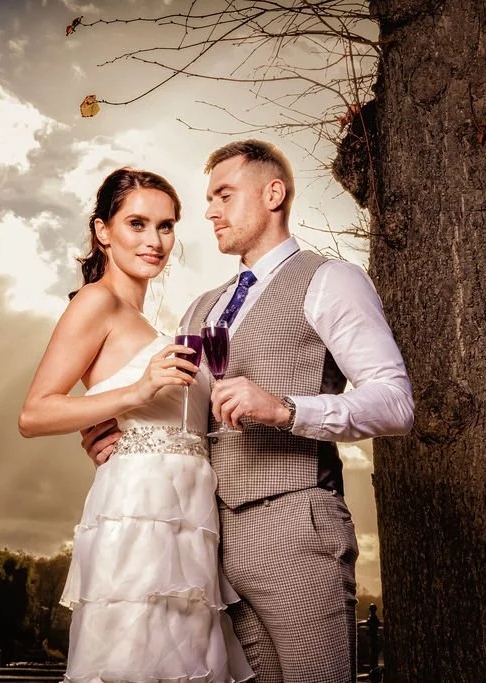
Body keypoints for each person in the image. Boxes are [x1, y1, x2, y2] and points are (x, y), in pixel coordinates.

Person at [82, 140, 414, 683]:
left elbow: (395, 403)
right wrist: (108, 432)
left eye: (224, 195)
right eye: (209, 198)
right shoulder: (200, 305)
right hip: (209, 539)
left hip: (296, 526)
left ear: (274, 194)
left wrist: (286, 410)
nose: (209, 211)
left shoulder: (331, 280)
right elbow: (174, 404)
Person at [19, 167, 254, 683]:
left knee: (182, 658)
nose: (155, 241)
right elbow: (34, 413)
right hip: (140, 508)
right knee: (134, 654)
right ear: (103, 230)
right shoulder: (96, 302)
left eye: (166, 226)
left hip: (190, 510)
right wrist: (136, 392)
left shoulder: (159, 322)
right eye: (137, 224)